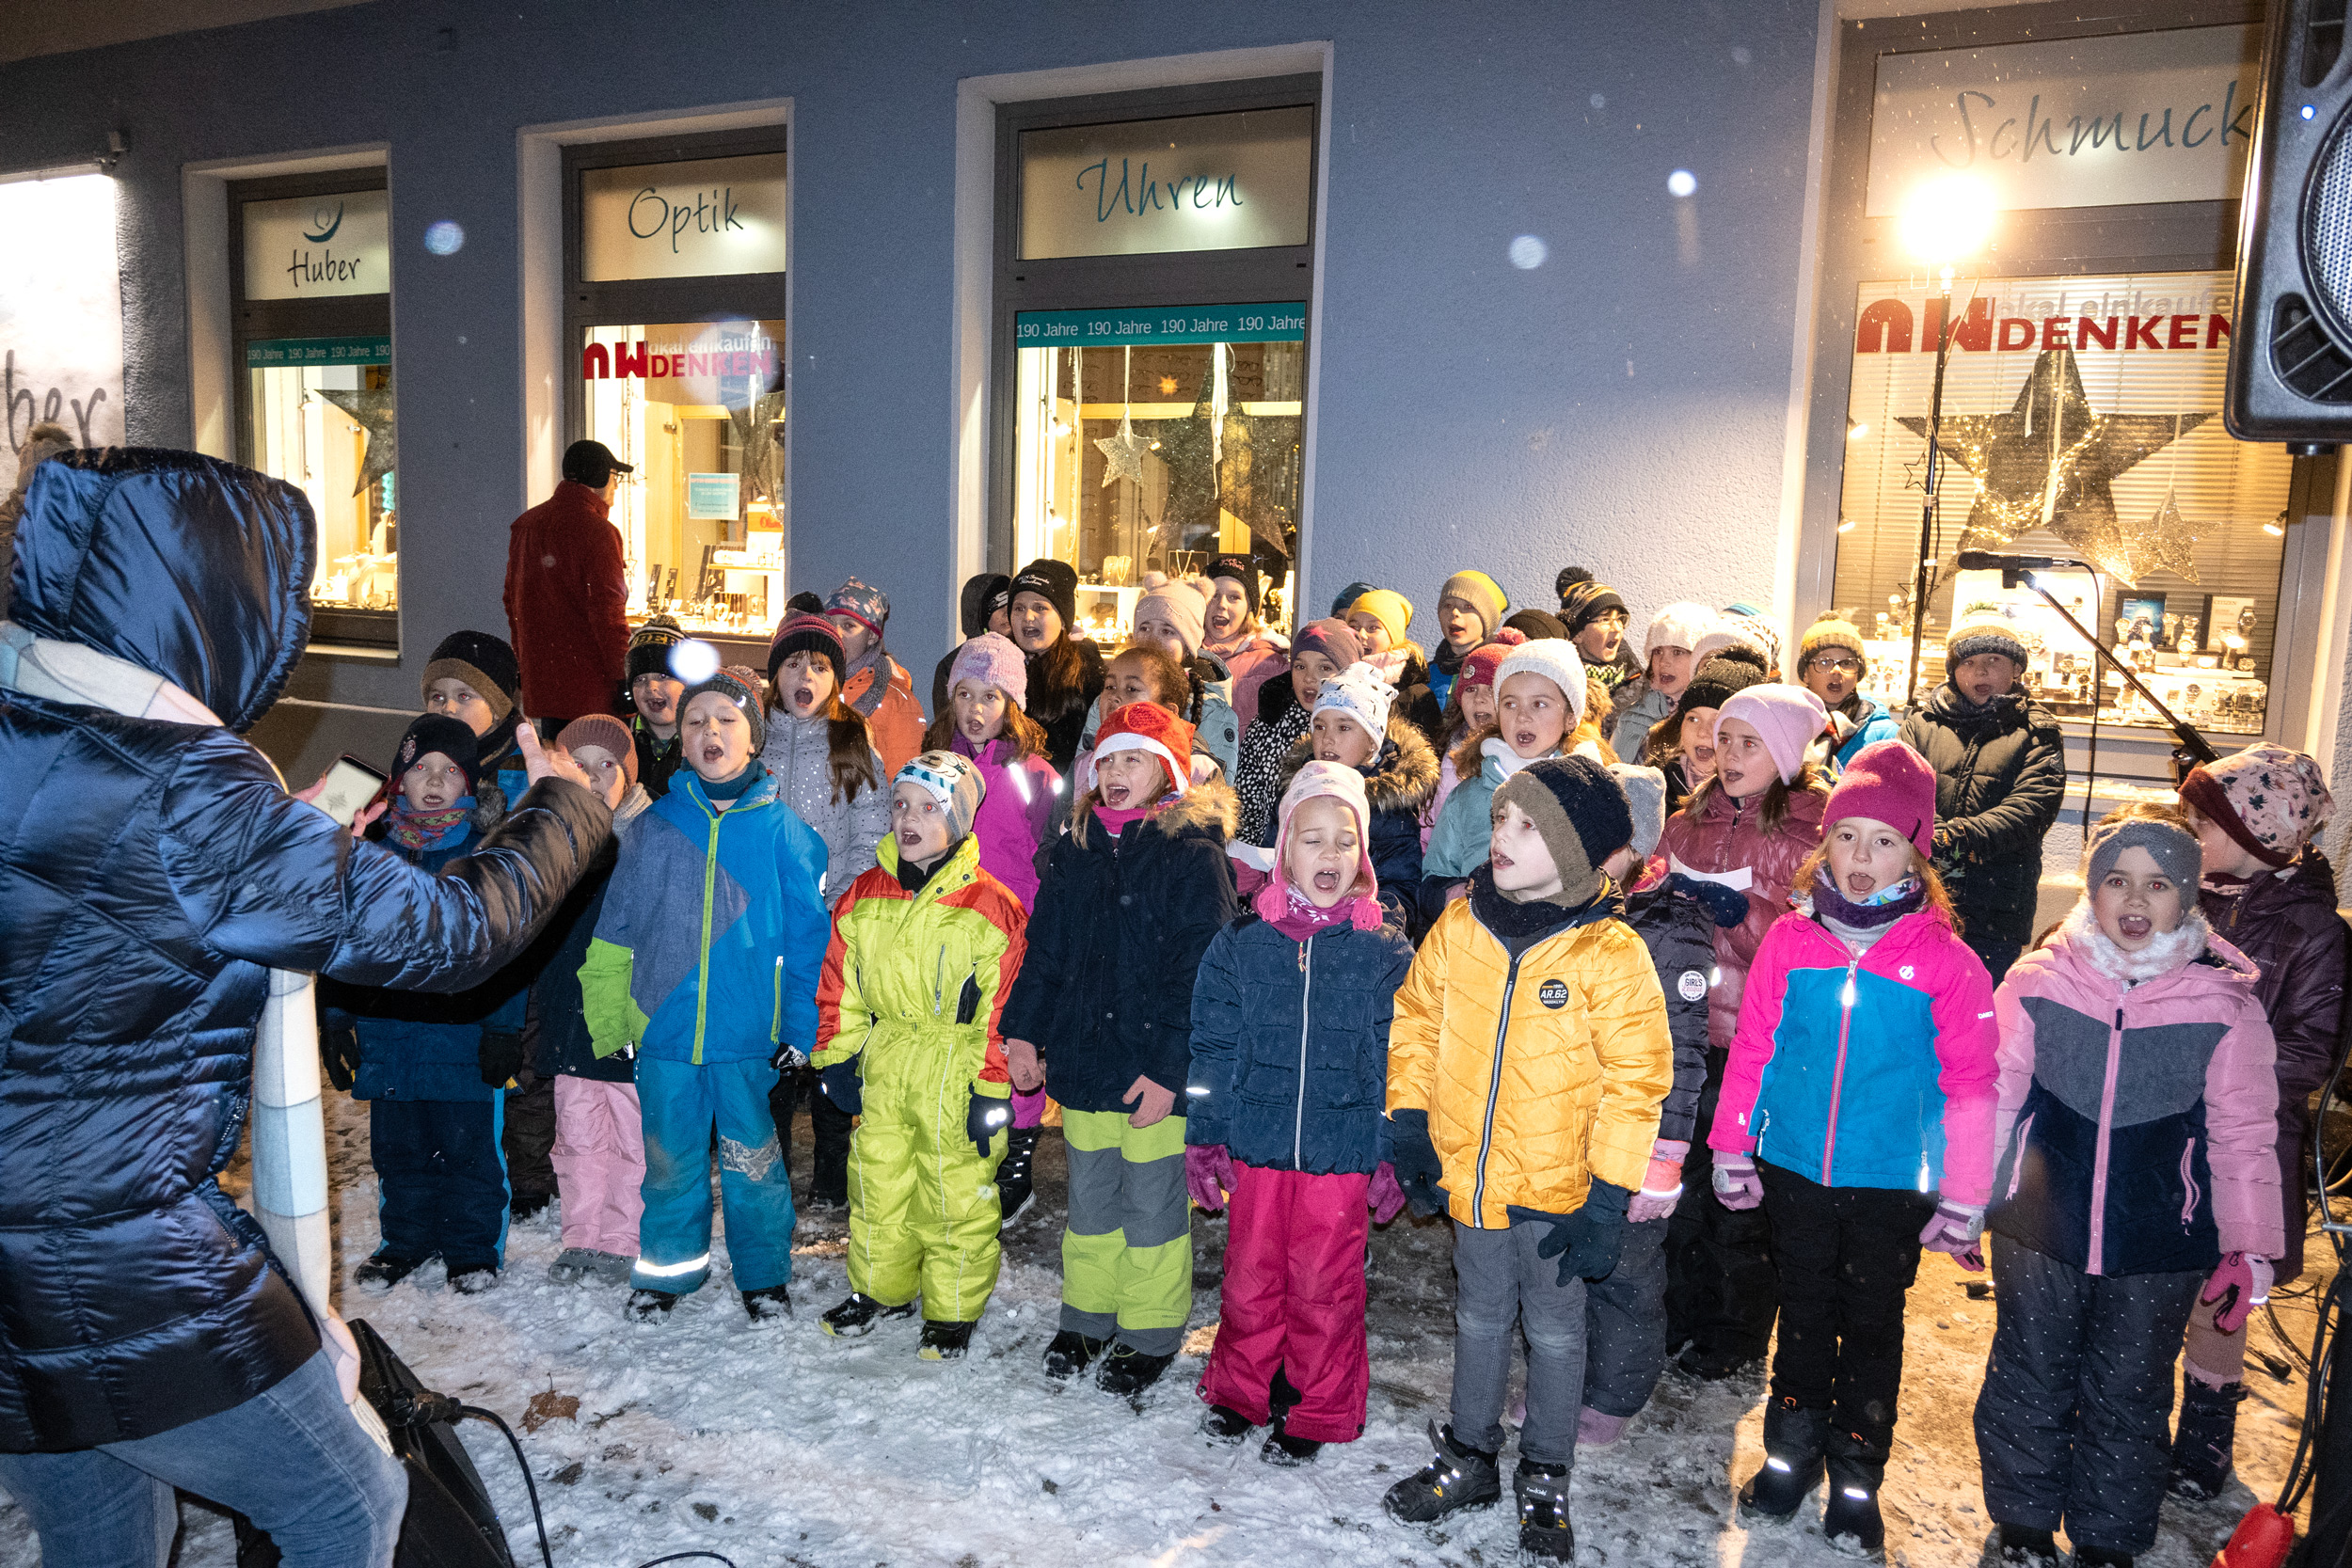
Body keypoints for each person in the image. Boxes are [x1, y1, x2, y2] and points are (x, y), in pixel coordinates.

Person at [0, 446, 607, 1568]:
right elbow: (453, 931)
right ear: (216, 603)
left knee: (104, 1533)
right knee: (343, 1505)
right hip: (124, 1262)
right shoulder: (190, 790)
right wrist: (568, 805)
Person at [1708, 741, 1998, 1553]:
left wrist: (1966, 1195)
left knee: (1871, 1322)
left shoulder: (1948, 964)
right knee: (1801, 1313)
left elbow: (1974, 1087)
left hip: (1888, 1183)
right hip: (1795, 1166)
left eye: (1884, 841)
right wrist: (1732, 1144)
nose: (1861, 858)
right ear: (1822, 844)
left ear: (1916, 854)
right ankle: (1790, 1454)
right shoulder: (1791, 944)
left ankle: (1859, 1472)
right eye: (1846, 837)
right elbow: (1754, 1047)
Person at [1382, 756, 1673, 1562]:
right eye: (1500, 818)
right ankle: (1470, 1454)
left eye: (1526, 824)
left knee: (1553, 1330)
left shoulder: (1610, 955)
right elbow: (1418, 1020)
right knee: (1475, 1314)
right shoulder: (1461, 923)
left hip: (1560, 1191)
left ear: (1578, 851)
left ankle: (1545, 1471)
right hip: (1473, 1175)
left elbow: (1637, 1081)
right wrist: (1410, 1119)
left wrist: (1610, 1194)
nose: (1500, 834)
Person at [1975, 813, 2281, 1568]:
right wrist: (1965, 1198)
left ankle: (2108, 1536)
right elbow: (1994, 1096)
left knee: (2131, 1386)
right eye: (2116, 879)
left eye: (2158, 883)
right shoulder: (2037, 981)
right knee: (2028, 1368)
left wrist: (2250, 1246)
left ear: (2188, 897)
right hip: (2038, 1223)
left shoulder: (2223, 1006)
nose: (2135, 898)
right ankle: (2022, 1520)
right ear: (2091, 888)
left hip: (2160, 1240)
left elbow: (2244, 1134)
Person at [1000, 703, 1241, 1394]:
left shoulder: (1191, 855)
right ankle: (1087, 1315)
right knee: (1093, 1204)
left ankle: (1150, 1327)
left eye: (1133, 759)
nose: (1115, 773)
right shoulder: (1074, 853)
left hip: (1150, 1077)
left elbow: (1198, 975)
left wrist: (1169, 1071)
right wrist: (1025, 1031)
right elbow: (1045, 952)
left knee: (1153, 1209)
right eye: (1106, 760)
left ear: (1166, 771)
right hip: (1083, 1065)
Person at [579, 666, 830, 1323]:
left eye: (726, 719)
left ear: (754, 740)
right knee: (668, 1163)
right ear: (681, 742)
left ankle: (764, 1276)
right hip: (664, 1036)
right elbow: (614, 935)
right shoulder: (653, 829)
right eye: (695, 721)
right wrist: (612, 1022)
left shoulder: (787, 836)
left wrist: (801, 1030)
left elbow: (811, 946)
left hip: (748, 1041)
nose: (709, 730)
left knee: (754, 1165)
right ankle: (668, 1271)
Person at [1186, 763, 1416, 1464]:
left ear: (1364, 854)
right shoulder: (1243, 943)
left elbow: (1404, 1058)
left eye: (1345, 842)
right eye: (1312, 840)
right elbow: (1212, 1044)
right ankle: (1239, 1388)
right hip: (1257, 1143)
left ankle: (1318, 1405)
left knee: (1324, 1288)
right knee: (1250, 1277)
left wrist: (1394, 1148)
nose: (1329, 856)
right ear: (1283, 849)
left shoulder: (1384, 951)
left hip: (1339, 1152)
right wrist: (1206, 1136)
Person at [2168, 747, 2344, 1498]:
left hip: (2248, 1145)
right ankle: (2134, 1410)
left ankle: (2206, 1430)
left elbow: (2310, 1050)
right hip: (2165, 1129)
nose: (2188, 831)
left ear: (2255, 831)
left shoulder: (2314, 931)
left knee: (2220, 1296)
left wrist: (2224, 1082)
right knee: (2157, 1278)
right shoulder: (2185, 896)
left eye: (2202, 820)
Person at [815, 752, 1027, 1360]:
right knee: (878, 1183)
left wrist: (991, 1088)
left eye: (928, 807)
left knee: (953, 1193)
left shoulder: (991, 905)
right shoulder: (865, 894)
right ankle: (881, 1287)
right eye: (901, 804)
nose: (909, 818)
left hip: (956, 1068)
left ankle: (951, 1308)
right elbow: (841, 983)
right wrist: (838, 1056)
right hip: (887, 1061)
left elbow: (1001, 1008)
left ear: (959, 820)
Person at [322, 715, 535, 1295]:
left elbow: (507, 950)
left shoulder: (484, 859)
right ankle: (405, 1240)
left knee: (468, 1152)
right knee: (400, 1151)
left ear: (470, 786)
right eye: (421, 769)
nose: (435, 780)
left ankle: (472, 1249)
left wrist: (502, 1028)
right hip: (389, 1037)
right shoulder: (370, 854)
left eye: (450, 771)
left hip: (462, 1039)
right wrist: (337, 1015)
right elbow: (342, 942)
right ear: (398, 781)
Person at [1655, 682, 1829, 1382]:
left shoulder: (1811, 831)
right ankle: (1679, 1311)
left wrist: (1740, 910)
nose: (1726, 753)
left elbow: (1808, 938)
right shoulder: (1687, 817)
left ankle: (1736, 1329)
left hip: (1759, 1040)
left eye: (1748, 743)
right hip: (1686, 1026)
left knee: (1741, 1195)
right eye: (1724, 738)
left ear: (1784, 753)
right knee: (1677, 1182)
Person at [1576, 763, 1717, 1449]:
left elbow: (1687, 1050)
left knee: (1628, 1272)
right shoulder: (1569, 908)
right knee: (1571, 1263)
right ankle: (1568, 1378)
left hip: (1638, 1137)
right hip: (1570, 1128)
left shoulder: (1672, 924)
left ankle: (1617, 1392)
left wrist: (1666, 1155)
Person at [758, 611, 890, 1213]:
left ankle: (833, 1175)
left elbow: (871, 833)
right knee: (771, 1056)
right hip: (759, 928)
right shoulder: (750, 737)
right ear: (775, 675)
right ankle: (772, 1171)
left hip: (830, 925)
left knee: (832, 1048)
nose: (805, 675)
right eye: (793, 664)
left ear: (837, 677)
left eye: (818, 666)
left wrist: (838, 900)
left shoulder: (851, 742)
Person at [933, 630, 1063, 1221]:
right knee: (959, 1042)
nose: (976, 708)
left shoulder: (1033, 773)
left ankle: (1017, 1159)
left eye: (990, 695)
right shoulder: (938, 767)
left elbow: (1052, 849)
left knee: (1014, 1044)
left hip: (1017, 933)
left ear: (1012, 702)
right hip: (953, 929)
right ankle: (968, 1148)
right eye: (964, 693)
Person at [533, 716, 653, 1288]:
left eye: (609, 765)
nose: (596, 776)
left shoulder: (648, 839)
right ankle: (582, 1234)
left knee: (632, 1135)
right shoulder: (553, 843)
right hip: (568, 1017)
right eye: (579, 765)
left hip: (628, 1020)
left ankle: (625, 1236)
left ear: (628, 775)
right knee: (577, 1135)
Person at [1899, 607, 2065, 985]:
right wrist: (1931, 838)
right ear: (1953, 669)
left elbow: (2031, 810)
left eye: (1994, 659)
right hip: (1918, 900)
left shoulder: (2038, 730)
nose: (1980, 671)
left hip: (1996, 911)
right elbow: (1900, 793)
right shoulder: (1920, 725)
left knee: (1976, 1021)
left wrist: (1951, 837)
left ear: (2017, 668)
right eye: (1969, 661)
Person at [1263, 660, 1437, 937]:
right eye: (1319, 727)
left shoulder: (1390, 808)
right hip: (1296, 926)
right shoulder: (1298, 789)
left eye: (1343, 728)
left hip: (1359, 932)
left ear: (1372, 740)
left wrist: (1375, 927)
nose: (1327, 740)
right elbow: (1274, 859)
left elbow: (1400, 884)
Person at [1421, 640, 1587, 911]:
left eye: (1539, 704)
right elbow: (1433, 878)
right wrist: (1456, 895)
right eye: (1510, 704)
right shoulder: (1468, 794)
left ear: (1570, 717)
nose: (1522, 717)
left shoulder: (1585, 794)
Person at [502, 437, 631, 723]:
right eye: (615, 476)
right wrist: (623, 677)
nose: (617, 485)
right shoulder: (599, 532)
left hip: (544, 687)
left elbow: (513, 604)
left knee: (553, 763)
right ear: (598, 476)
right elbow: (608, 616)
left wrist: (523, 662)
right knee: (596, 766)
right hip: (591, 691)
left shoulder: (526, 525)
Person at [1234, 618, 1362, 846]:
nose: (1309, 678)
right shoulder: (1266, 727)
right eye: (1300, 666)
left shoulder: (1360, 732)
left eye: (1325, 668)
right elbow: (1247, 808)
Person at [1421, 633, 1522, 848]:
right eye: (1470, 689)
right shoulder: (1445, 750)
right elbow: (1427, 830)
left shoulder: (1522, 753)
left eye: (1491, 689)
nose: (1479, 699)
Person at [1008, 557, 1107, 773]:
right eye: (1019, 608)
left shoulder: (1087, 673)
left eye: (1040, 608)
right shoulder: (1000, 666)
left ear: (1063, 619)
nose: (1028, 616)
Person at [823, 577, 926, 776]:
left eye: (849, 626)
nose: (836, 633)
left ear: (871, 636)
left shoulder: (897, 701)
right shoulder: (812, 686)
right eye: (830, 623)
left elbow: (902, 780)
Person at [1645, 654, 1763, 817]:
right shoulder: (1657, 785)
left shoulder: (1762, 798)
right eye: (1693, 719)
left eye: (1716, 721)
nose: (1702, 731)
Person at [1609, 601, 1714, 763]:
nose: (1664, 662)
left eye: (1677, 652)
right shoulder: (1632, 717)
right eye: (1658, 652)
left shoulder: (1714, 718)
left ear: (1700, 658)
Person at [1794, 615, 1898, 775]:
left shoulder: (1886, 736)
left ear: (1859, 675)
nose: (1836, 671)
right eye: (1824, 662)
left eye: (1847, 663)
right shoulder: (1785, 727)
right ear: (1805, 674)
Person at [1343, 587, 1442, 743]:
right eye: (1354, 627)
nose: (1361, 634)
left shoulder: (1417, 695)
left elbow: (1430, 756)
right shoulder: (1336, 682)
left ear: (1393, 637)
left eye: (1373, 628)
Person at [1201, 553, 1288, 731]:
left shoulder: (1271, 665)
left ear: (1249, 606)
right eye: (1215, 595)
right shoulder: (1185, 656)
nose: (1222, 604)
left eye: (1234, 597)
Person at [1425, 569, 1508, 713]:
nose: (1454, 613)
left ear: (1486, 619)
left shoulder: (1501, 672)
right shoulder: (1424, 675)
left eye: (1468, 607)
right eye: (1448, 606)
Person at [931, 570, 1012, 717]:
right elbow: (946, 726)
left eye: (1012, 605)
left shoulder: (1025, 658)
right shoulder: (952, 666)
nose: (1007, 613)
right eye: (997, 606)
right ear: (979, 615)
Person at [625, 614, 688, 798]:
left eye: (663, 677)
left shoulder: (701, 744)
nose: (651, 687)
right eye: (640, 679)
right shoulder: (620, 743)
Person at [1557, 567, 1639, 688]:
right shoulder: (1561, 685)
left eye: (1619, 619)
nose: (1617, 628)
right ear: (1578, 634)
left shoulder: (1638, 677)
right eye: (1605, 620)